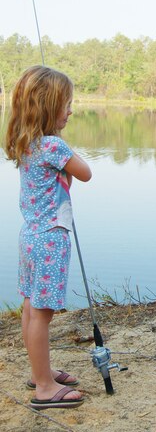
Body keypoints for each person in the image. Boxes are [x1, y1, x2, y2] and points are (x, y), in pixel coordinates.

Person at [5, 65, 92, 408]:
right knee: (42, 314)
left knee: (31, 308)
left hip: (30, 236)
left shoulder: (27, 143)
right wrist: (64, 147)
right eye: (66, 104)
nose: (71, 110)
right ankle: (43, 387)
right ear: (48, 106)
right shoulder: (53, 146)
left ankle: (40, 371)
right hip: (49, 240)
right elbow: (85, 173)